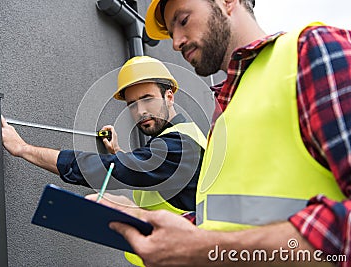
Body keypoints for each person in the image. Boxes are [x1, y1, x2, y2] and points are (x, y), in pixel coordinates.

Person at [86, 0, 351, 266]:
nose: (176, 42)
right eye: (170, 32)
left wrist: (204, 248)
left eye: (183, 20)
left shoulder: (313, 51)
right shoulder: (226, 113)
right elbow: (223, 222)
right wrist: (139, 217)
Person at [2, 56, 206, 266]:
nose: (141, 110)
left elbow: (108, 170)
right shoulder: (179, 137)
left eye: (147, 98)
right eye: (132, 104)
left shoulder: (180, 145)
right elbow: (147, 171)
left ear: (169, 96)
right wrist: (117, 152)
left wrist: (23, 149)